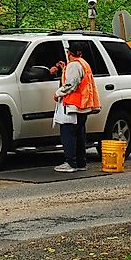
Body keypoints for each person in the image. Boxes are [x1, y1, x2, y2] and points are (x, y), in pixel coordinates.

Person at [49, 41, 100, 173]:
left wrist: (58, 93)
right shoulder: (83, 64)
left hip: (72, 106)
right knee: (80, 135)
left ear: (69, 53)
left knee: (68, 135)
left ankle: (70, 162)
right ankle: (81, 162)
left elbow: (72, 84)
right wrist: (63, 68)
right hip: (83, 106)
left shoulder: (74, 66)